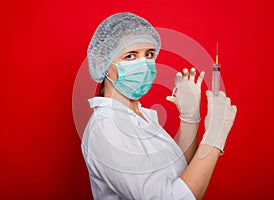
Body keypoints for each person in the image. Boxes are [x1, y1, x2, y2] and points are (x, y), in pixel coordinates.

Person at [81, 12, 237, 200]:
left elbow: (179, 176)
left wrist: (190, 118)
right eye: (130, 56)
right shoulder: (108, 128)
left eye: (149, 54)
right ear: (103, 64)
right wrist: (214, 138)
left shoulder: (140, 116)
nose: (143, 64)